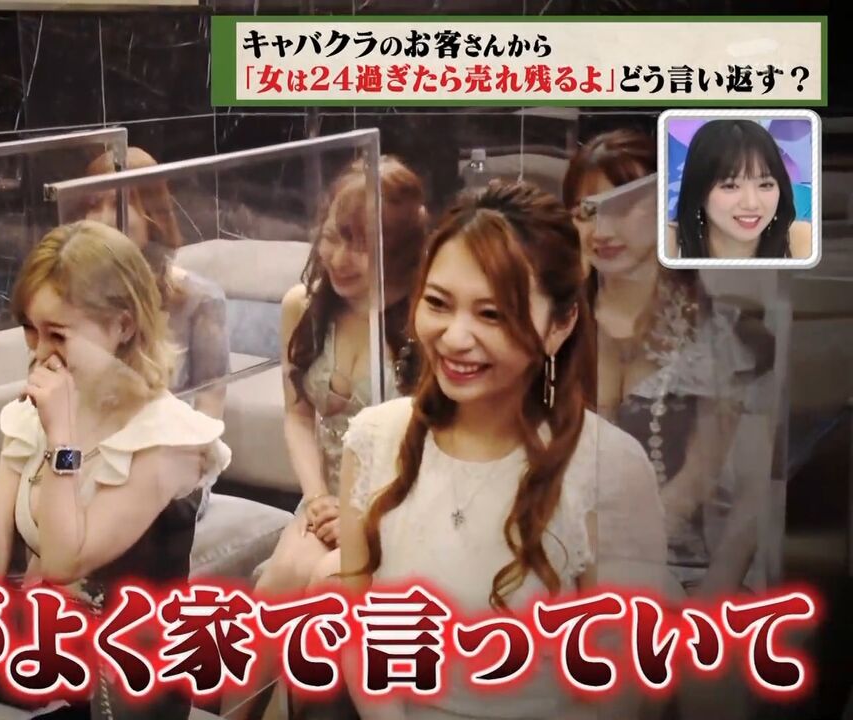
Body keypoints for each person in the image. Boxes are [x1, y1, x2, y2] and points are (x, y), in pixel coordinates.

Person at [339, 180, 666, 719]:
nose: (455, 337)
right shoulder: (374, 439)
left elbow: (620, 689)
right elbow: (357, 631)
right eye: (438, 303)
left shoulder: (608, 467)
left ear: (561, 324)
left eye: (492, 314)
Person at [0, 220, 231, 719]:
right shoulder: (35, 414)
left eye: (57, 334)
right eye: (31, 330)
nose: (40, 353)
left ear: (123, 327)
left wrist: (63, 439)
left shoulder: (170, 439)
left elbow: (64, 560)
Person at [223, 156, 429, 720]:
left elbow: (434, 444)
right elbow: (297, 416)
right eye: (334, 235)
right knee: (274, 591)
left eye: (361, 244)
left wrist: (363, 514)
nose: (338, 257)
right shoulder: (304, 307)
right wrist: (316, 497)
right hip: (326, 498)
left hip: (399, 504)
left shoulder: (423, 322)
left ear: (399, 249)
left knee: (319, 590)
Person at [566, 129, 774, 598]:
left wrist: (706, 608)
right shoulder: (556, 325)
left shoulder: (719, 335)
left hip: (688, 576)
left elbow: (749, 501)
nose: (602, 230)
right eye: (587, 211)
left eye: (623, 207)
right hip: (569, 569)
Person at [83, 146, 230, 421]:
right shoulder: (73, 298)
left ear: (151, 213)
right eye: (93, 205)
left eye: (117, 204)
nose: (102, 219)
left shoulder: (199, 299)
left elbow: (210, 410)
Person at [669, 118, 813, 260]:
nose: (751, 204)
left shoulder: (803, 241)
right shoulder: (667, 246)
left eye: (765, 185)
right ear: (698, 189)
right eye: (730, 186)